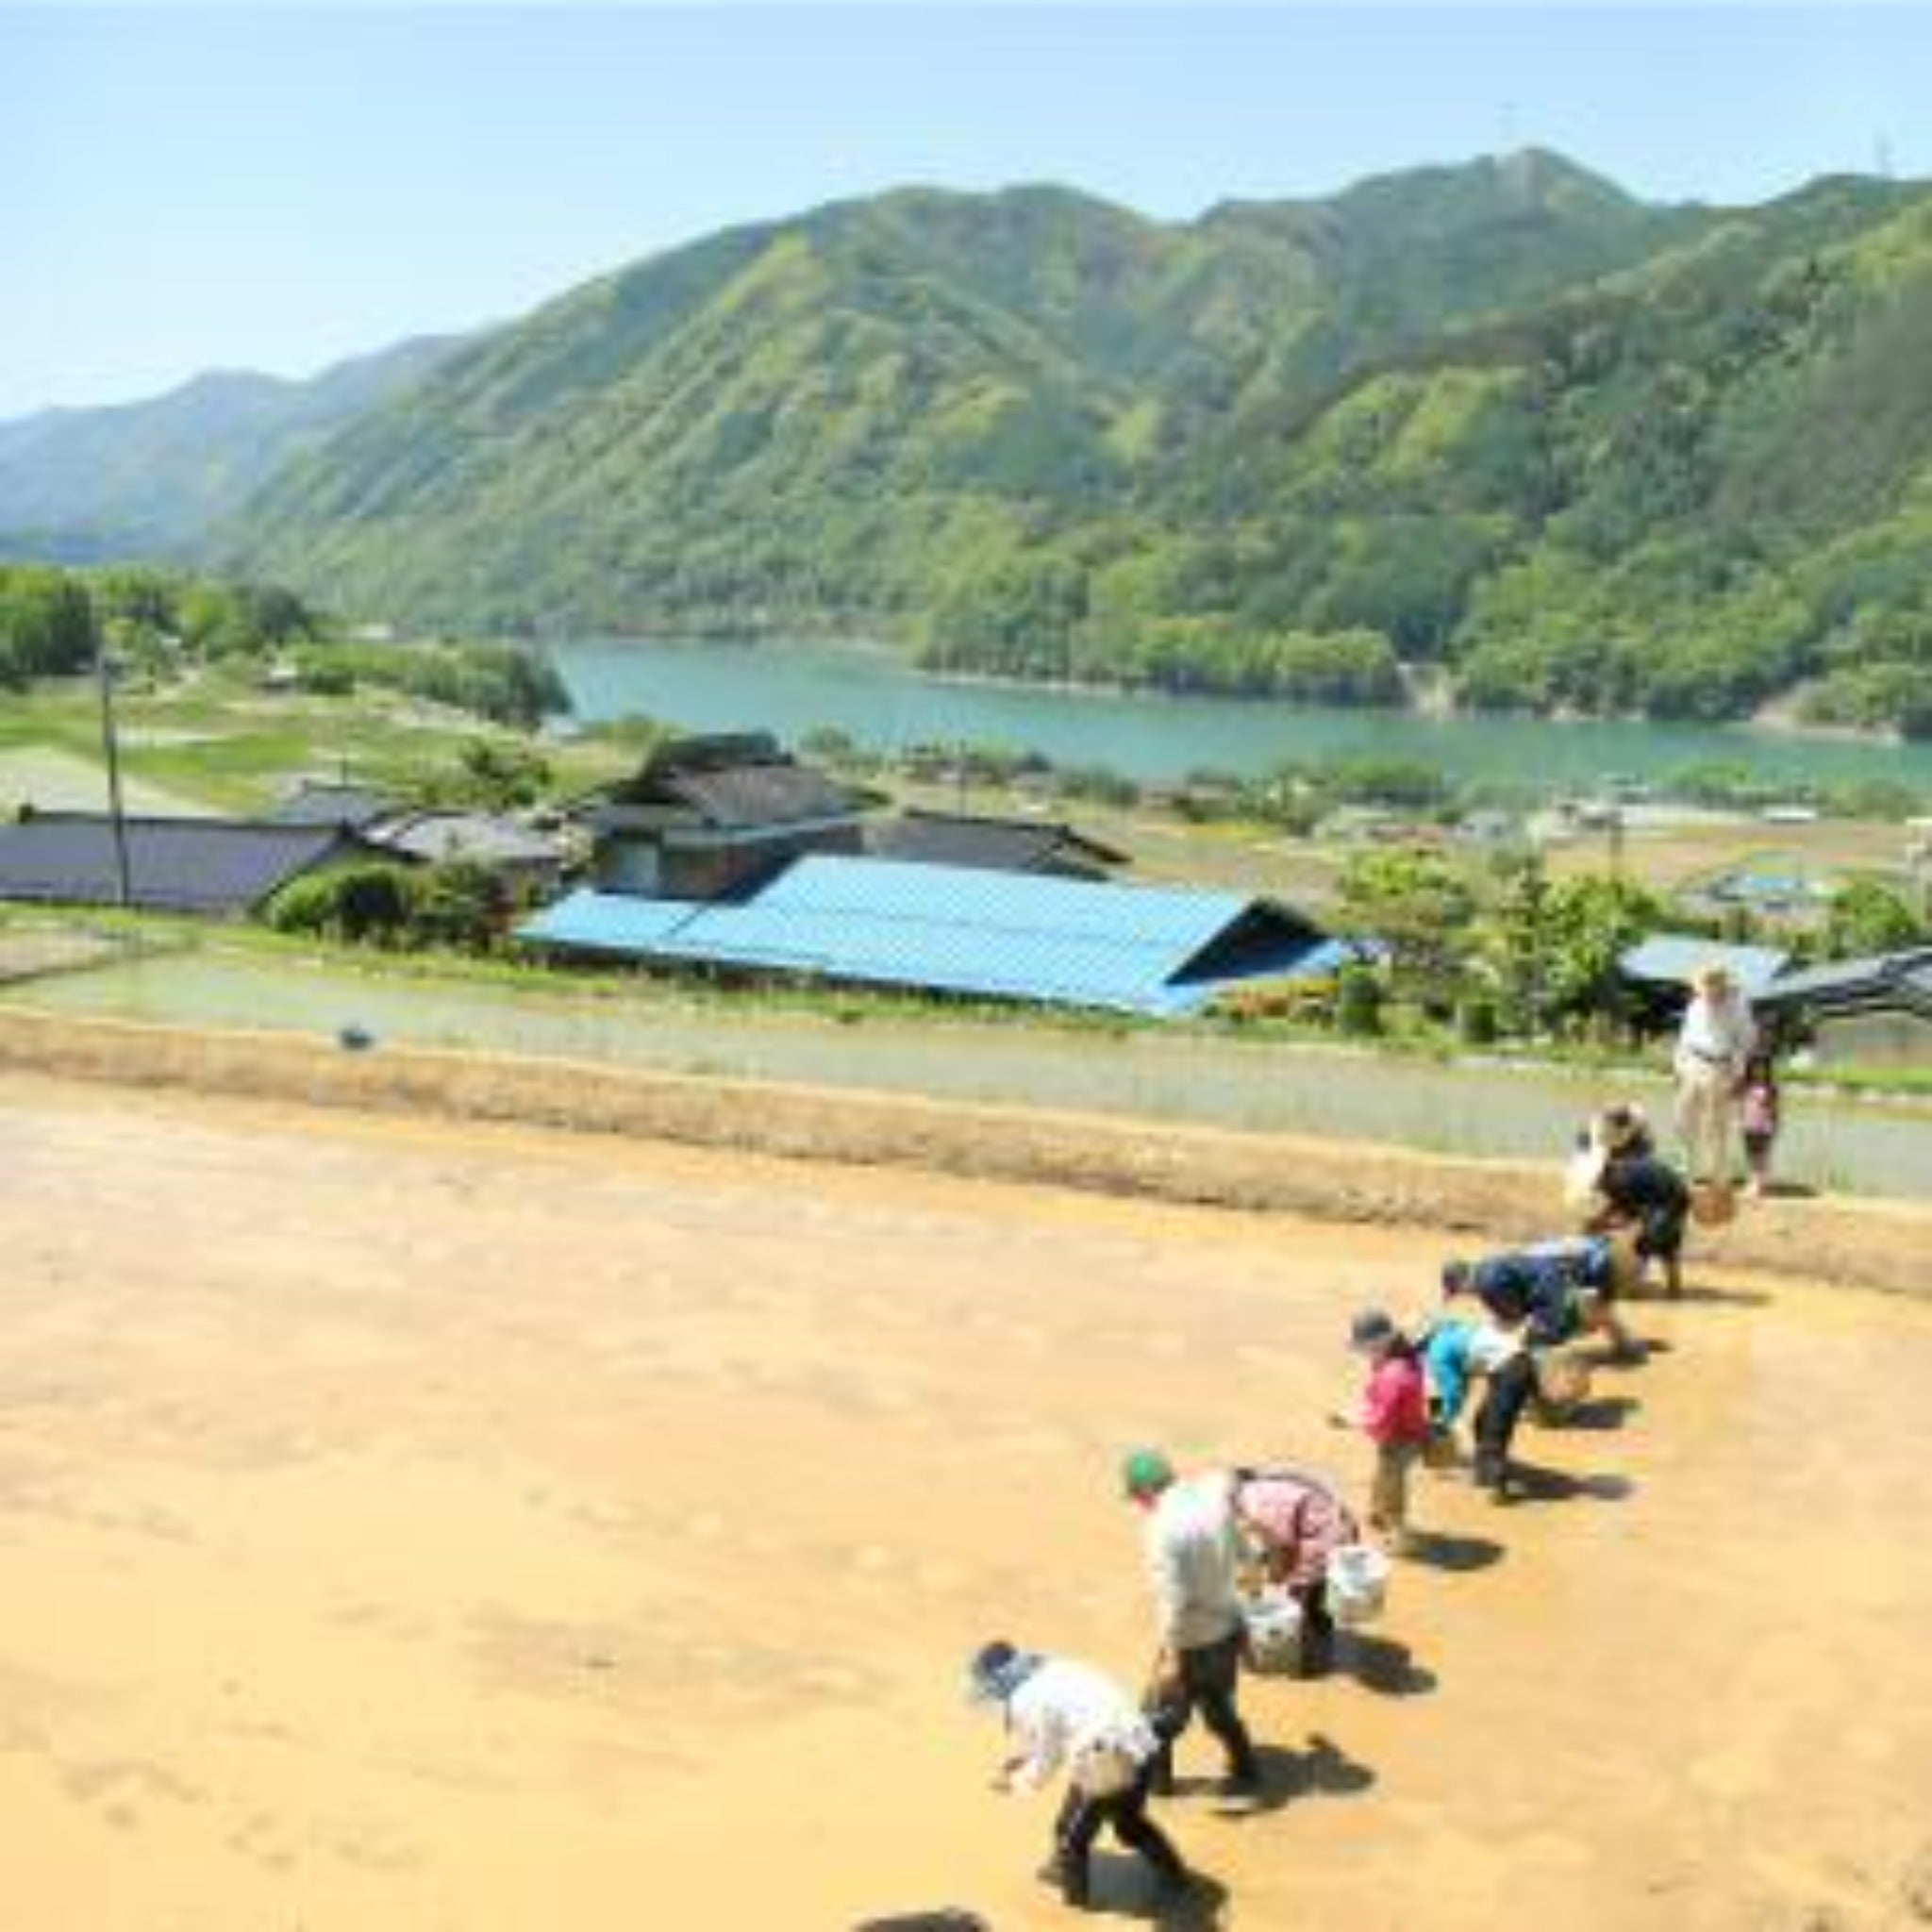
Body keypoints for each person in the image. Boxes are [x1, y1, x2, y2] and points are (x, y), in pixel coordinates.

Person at [968, 1640, 1192, 1909]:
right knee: (1129, 1825)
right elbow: (1062, 1730)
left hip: (1105, 1758)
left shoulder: (1023, 1700)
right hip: (1140, 1741)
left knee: (1070, 1839)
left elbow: (1047, 1761)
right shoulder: (1054, 1667)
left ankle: (1076, 1909)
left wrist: (1014, 1783)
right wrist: (1027, 1761)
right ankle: (1177, 1879)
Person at [1119, 1449, 1259, 1797]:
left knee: (1157, 1719)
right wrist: (1252, 1593)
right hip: (1227, 1628)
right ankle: (1245, 1766)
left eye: (1137, 1497)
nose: (1139, 1505)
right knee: (1220, 1706)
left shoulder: (1161, 1530)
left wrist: (1170, 1657)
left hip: (1190, 1640)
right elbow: (1247, 1551)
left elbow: (1172, 1601)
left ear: (1146, 1491)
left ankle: (1160, 1787)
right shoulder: (1213, 1500)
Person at [1228, 1465, 1360, 1678]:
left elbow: (1282, 1546)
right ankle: (1323, 1634)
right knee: (1318, 1592)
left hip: (1322, 1541)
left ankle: (1303, 1662)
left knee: (1295, 1604)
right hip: (1341, 1527)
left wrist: (1276, 1577)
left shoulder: (1255, 1504)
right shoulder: (1268, 1484)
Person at [1331, 1310, 1431, 1553]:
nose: (1361, 1353)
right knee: (1383, 1478)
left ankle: (1402, 1540)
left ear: (1379, 1343)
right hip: (1411, 1431)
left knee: (1393, 1489)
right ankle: (1377, 1515)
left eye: (1363, 1347)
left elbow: (1379, 1421)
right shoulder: (1403, 1357)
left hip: (1400, 1440)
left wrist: (1347, 1420)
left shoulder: (1393, 1374)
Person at [1587, 1106, 1691, 1297]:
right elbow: (1623, 1210)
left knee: (1642, 1244)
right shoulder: (1624, 1169)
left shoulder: (1617, 1178)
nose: (1597, 1187)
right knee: (1668, 1242)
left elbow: (1620, 1212)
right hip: (1676, 1195)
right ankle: (1674, 1289)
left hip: (1668, 1200)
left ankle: (1631, 1286)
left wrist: (1597, 1224)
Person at [1674, 962, 1757, 1186]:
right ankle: (1687, 1169)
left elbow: (1747, 1039)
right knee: (1683, 1119)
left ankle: (1717, 1173)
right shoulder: (1695, 1005)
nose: (1706, 990)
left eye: (1711, 984)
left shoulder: (1738, 1006)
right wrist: (1679, 1065)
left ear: (1721, 984)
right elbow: (1685, 1037)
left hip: (1720, 1066)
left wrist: (1737, 1071)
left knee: (1716, 1124)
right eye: (1703, 985)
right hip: (1692, 1063)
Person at [1740, 1051, 1781, 1197]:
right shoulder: (1745, 1086)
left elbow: (1775, 1109)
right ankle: (1754, 1180)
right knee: (1750, 1154)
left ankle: (1759, 1183)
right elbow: (1733, 1098)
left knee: (1762, 1155)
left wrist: (1775, 1125)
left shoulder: (1771, 1088)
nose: (1759, 1071)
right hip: (1748, 1125)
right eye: (1756, 1068)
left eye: (1763, 1068)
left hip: (1764, 1127)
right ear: (1749, 1069)